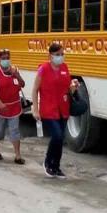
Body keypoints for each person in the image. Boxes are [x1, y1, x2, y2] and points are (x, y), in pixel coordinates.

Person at [32, 43, 79, 178]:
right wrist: (35, 109)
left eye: (62, 54)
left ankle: (56, 166)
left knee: (60, 139)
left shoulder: (65, 68)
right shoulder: (43, 69)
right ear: (50, 56)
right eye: (57, 55)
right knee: (57, 135)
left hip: (63, 109)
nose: (60, 57)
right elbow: (35, 90)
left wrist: (73, 87)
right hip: (48, 110)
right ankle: (48, 162)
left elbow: (68, 87)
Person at [0, 48, 25, 164]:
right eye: (3, 58)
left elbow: (22, 84)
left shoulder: (15, 70)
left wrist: (16, 75)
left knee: (15, 130)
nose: (6, 60)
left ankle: (18, 155)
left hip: (14, 106)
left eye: (8, 58)